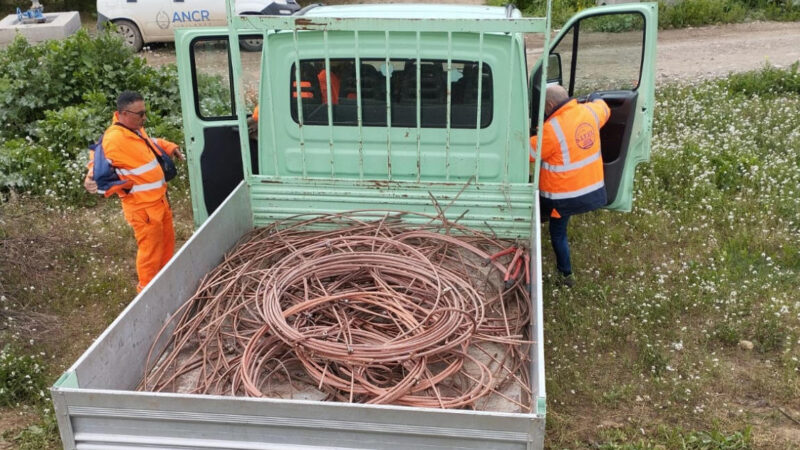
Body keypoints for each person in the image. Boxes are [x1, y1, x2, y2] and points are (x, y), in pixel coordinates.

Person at [84, 91, 185, 293]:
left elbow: (149, 143)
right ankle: (147, 295)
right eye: (140, 114)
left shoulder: (134, 129)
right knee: (151, 254)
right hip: (143, 208)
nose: (144, 118)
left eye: (144, 113)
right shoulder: (114, 138)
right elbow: (99, 157)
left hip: (159, 201)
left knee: (166, 247)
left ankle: (165, 287)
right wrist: (90, 177)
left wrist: (169, 146)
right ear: (122, 113)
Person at [529, 85, 610, 287]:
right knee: (559, 230)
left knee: (557, 234)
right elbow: (604, 108)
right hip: (591, 189)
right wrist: (595, 97)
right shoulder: (590, 111)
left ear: (549, 105)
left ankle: (566, 275)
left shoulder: (552, 130)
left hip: (563, 196)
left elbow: (529, 152)